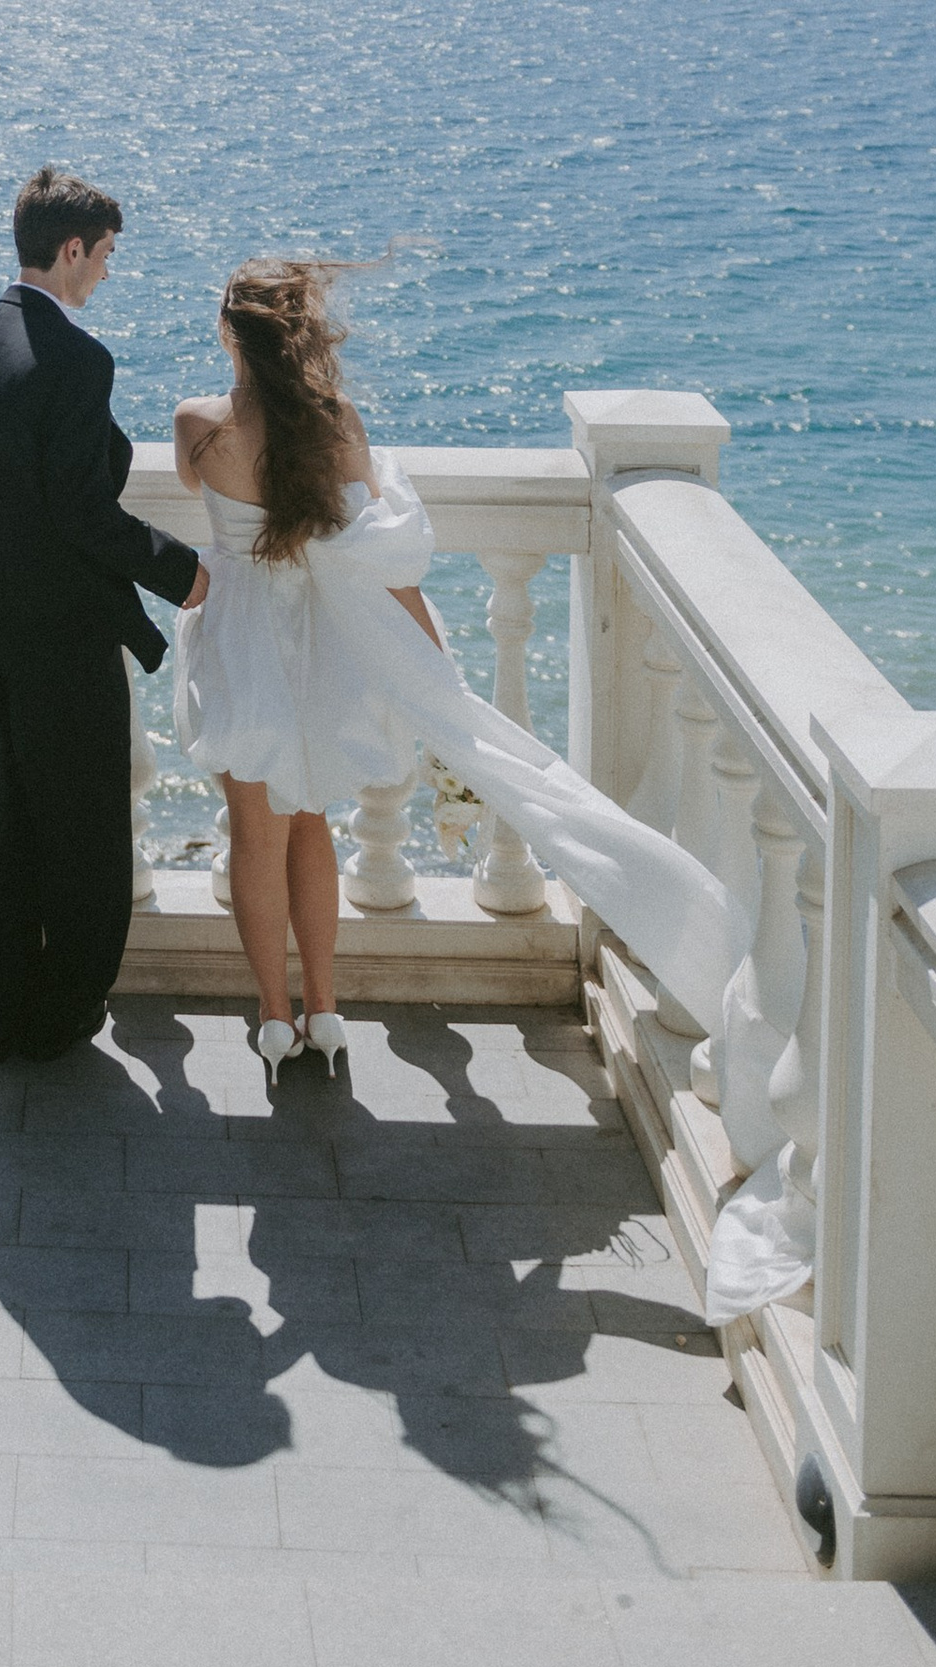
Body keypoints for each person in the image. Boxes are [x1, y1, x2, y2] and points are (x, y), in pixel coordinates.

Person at [175, 255, 740, 1084]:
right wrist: (436, 675)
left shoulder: (199, 424)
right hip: (329, 645)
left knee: (254, 830)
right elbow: (385, 566)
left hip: (241, 641)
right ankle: (325, 1007)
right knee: (311, 825)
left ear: (229, 335)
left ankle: (272, 1016)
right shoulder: (338, 427)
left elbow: (198, 493)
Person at [0, 166, 203, 1066]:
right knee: (82, 823)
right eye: (106, 256)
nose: (107, 275)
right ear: (71, 250)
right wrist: (186, 575)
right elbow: (86, 514)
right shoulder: (79, 362)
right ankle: (68, 1006)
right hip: (62, 637)